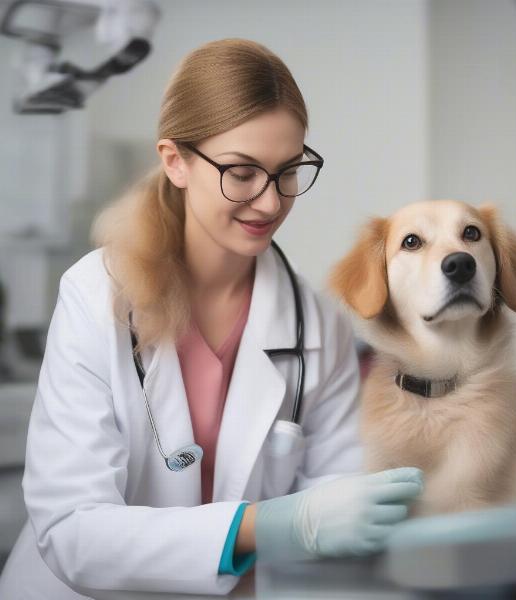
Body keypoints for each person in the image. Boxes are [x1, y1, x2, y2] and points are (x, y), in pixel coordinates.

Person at [0, 38, 423, 598]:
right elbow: (71, 529)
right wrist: (268, 527)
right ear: (175, 161)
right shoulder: (95, 296)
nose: (270, 202)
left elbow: (337, 515)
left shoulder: (319, 326)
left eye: (288, 170)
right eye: (242, 172)